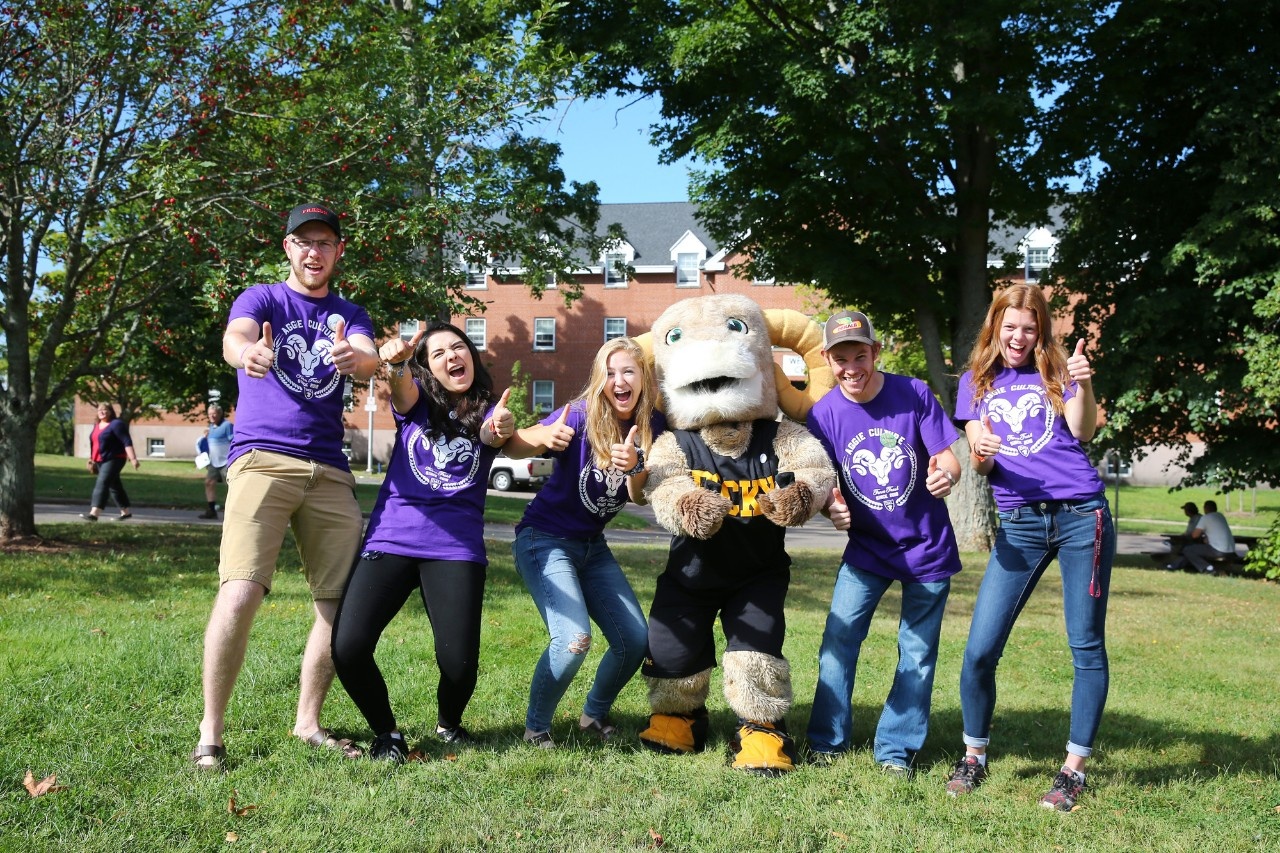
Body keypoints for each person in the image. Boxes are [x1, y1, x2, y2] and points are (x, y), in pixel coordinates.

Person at [190, 202, 380, 771]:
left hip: (329, 470)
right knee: (242, 589)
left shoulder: (351, 312)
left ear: (338, 252)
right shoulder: (262, 298)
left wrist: (357, 358)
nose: (313, 251)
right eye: (303, 242)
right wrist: (248, 353)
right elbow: (236, 337)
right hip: (262, 460)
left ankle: (307, 722)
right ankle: (211, 732)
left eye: (324, 242)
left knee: (336, 601)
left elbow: (370, 360)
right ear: (288, 249)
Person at [947, 282, 1115, 812]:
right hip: (1019, 523)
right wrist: (978, 450)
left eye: (1030, 327)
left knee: (1084, 644)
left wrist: (1083, 387)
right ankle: (974, 755)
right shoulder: (976, 381)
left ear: (1040, 331)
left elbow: (1082, 431)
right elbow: (981, 458)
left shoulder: (1059, 373)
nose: (1019, 336)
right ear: (995, 326)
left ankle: (1074, 770)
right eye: (1010, 326)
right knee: (978, 651)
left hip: (1079, 517)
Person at [331, 322, 513, 763]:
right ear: (427, 368)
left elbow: (492, 433)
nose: (453, 356)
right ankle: (387, 734)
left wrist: (501, 428)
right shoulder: (416, 402)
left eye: (459, 347)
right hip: (393, 538)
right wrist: (395, 363)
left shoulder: (487, 408)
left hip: (456, 549)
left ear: (471, 354)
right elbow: (401, 387)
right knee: (349, 647)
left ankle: (449, 725)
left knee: (459, 665)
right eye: (439, 353)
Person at [803, 311, 963, 776]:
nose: (852, 367)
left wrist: (946, 477)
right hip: (867, 551)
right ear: (826, 360)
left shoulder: (911, 393)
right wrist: (828, 508)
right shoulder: (823, 414)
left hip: (926, 549)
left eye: (860, 355)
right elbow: (821, 484)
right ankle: (826, 743)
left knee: (916, 652)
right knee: (838, 641)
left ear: (876, 352)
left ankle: (895, 750)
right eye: (840, 358)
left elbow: (947, 459)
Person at [503, 337, 663, 748]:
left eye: (628, 371)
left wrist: (636, 466)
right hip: (544, 540)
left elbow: (637, 496)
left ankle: (592, 715)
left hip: (592, 546)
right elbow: (516, 444)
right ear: (600, 380)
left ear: (644, 377)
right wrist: (542, 433)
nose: (619, 380)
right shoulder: (578, 415)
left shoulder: (652, 426)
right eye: (610, 373)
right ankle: (535, 728)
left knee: (634, 640)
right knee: (574, 638)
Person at [81, 403, 140, 521]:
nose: (102, 412)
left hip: (115, 459)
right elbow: (94, 443)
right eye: (100, 410)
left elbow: (126, 441)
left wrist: (133, 458)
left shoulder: (116, 424)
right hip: (99, 459)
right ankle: (126, 512)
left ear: (111, 411)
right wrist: (91, 458)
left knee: (102, 482)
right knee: (114, 486)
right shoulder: (97, 425)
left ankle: (94, 514)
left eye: (105, 410)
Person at [197, 404, 234, 519]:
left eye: (214, 413)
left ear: (220, 413)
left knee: (232, 486)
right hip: (214, 462)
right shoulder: (211, 427)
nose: (212, 416)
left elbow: (233, 441)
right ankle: (211, 510)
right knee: (209, 483)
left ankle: (233, 512)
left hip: (226, 462)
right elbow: (208, 445)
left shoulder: (227, 425)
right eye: (209, 414)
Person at [1179, 499, 1235, 573]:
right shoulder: (1220, 516)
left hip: (1219, 550)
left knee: (1188, 549)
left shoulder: (1205, 518)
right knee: (1196, 549)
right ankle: (1176, 565)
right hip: (1231, 550)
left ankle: (1207, 568)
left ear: (1205, 508)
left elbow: (1194, 535)